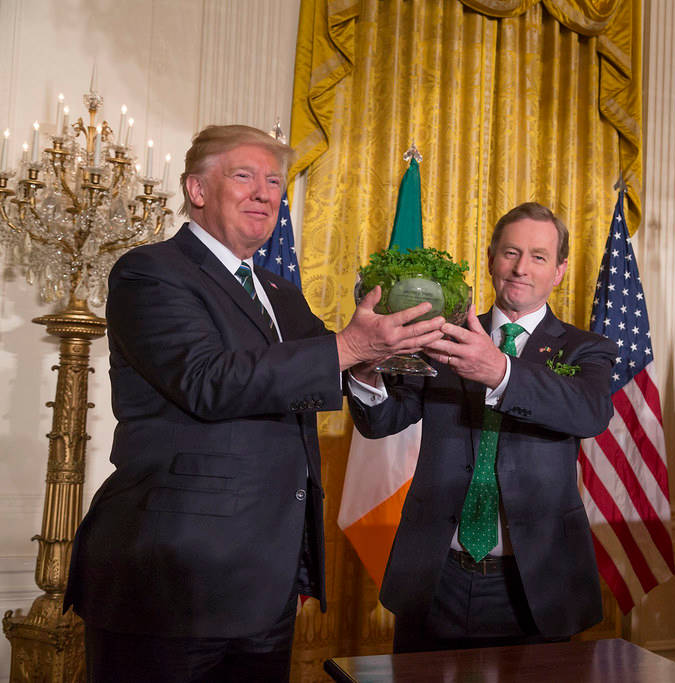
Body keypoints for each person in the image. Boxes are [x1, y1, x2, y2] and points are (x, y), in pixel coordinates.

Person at [64, 124, 444, 682]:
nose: (265, 194)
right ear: (197, 190)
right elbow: (206, 380)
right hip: (172, 583)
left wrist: (368, 364)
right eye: (244, 177)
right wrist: (348, 346)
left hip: (266, 585)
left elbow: (327, 378)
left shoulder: (282, 293)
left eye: (274, 181)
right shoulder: (149, 272)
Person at [346, 202, 617, 653]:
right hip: (435, 575)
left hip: (537, 583)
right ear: (491, 258)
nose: (521, 268)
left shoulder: (586, 347)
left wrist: (500, 370)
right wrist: (365, 368)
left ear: (560, 271)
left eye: (538, 256)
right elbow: (381, 420)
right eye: (510, 253)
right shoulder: (440, 335)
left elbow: (590, 413)